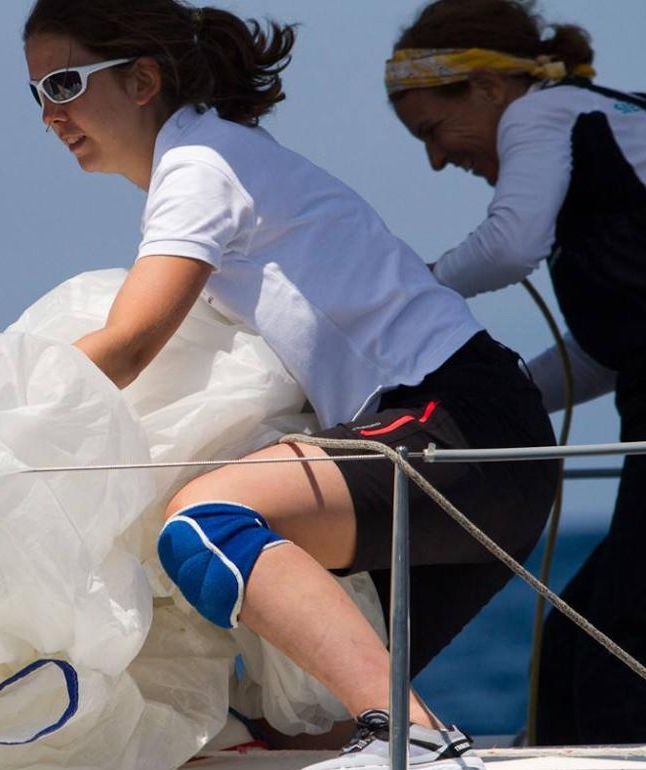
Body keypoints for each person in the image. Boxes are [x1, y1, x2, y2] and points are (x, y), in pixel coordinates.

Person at [23, 0, 559, 767]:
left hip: (458, 425)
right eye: (37, 92)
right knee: (289, 737)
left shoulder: (200, 167)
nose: (49, 113)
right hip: (476, 445)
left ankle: (424, 740)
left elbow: (131, 343)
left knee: (204, 522)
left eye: (66, 84)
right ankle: (406, 736)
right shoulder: (223, 153)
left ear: (142, 79)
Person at [386, 0, 646, 746]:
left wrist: (406, 289)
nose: (438, 160)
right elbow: (609, 347)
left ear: (492, 90)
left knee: (617, 642)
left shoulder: (544, 112)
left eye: (434, 131)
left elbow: (507, 248)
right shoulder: (600, 141)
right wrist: (504, 404)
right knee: (582, 642)